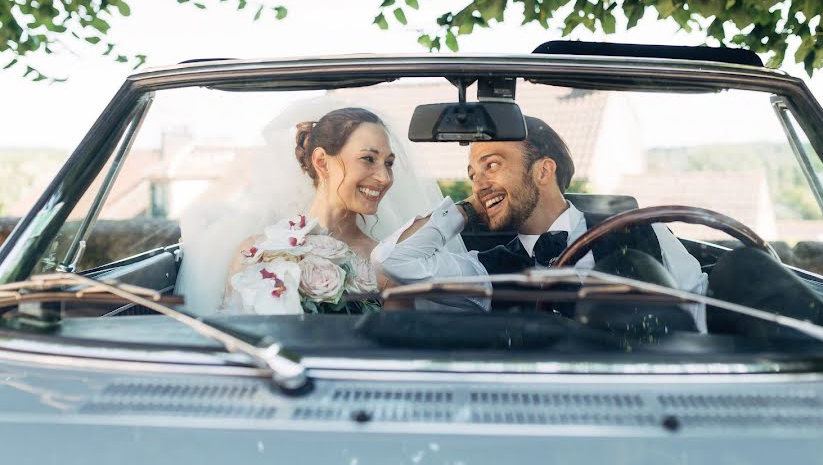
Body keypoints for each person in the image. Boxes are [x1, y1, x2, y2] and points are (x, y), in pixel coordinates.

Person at [372, 116, 709, 332]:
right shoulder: (486, 271)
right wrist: (469, 207)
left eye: (492, 165)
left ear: (544, 171)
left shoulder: (642, 232)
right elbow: (394, 260)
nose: (478, 183)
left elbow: (701, 317)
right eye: (473, 175)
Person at [176, 101, 488, 315]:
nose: (384, 177)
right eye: (368, 159)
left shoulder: (389, 264)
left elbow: (393, 355)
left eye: (389, 164)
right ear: (322, 162)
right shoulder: (257, 251)